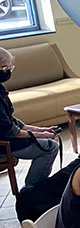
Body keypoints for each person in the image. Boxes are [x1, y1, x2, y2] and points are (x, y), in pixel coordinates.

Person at [0, 47, 60, 185]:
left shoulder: (1, 89)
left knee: (48, 142)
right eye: (4, 68)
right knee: (50, 147)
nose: (7, 72)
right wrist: (41, 135)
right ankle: (32, 190)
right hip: (4, 143)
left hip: (7, 137)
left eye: (10, 68)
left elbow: (11, 120)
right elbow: (9, 130)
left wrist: (39, 130)